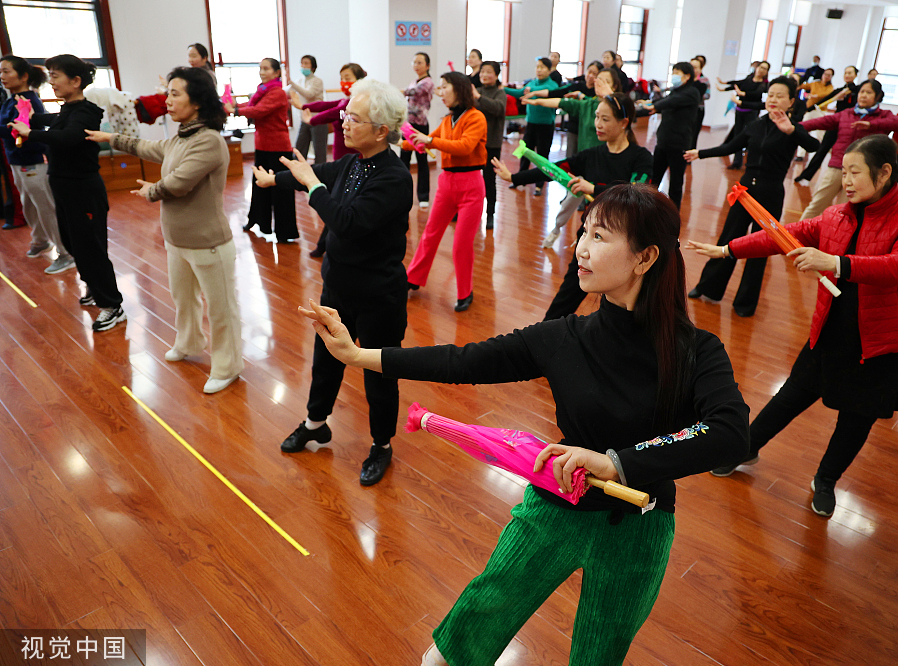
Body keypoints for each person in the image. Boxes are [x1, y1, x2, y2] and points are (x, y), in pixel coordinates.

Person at [299, 183, 749, 666]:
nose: (582, 247)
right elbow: (463, 362)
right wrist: (356, 354)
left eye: (600, 236)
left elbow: (729, 432)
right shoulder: (564, 338)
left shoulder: (696, 350)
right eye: (584, 231)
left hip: (641, 527)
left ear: (645, 258)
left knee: (600, 655)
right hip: (554, 505)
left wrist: (617, 463)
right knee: (465, 635)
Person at [691, 135, 898, 517]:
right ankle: (746, 448)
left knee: (856, 419)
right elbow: (782, 236)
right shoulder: (837, 215)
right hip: (833, 328)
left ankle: (826, 479)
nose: (848, 181)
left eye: (855, 172)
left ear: (885, 172)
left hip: (883, 341)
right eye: (844, 173)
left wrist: (834, 262)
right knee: (790, 395)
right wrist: (728, 250)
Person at [259, 79, 412, 485]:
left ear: (381, 129)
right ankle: (315, 423)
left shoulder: (395, 177)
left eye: (354, 118)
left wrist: (311, 184)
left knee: (378, 372)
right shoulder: (352, 163)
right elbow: (315, 173)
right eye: (345, 115)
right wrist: (277, 179)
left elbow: (346, 221)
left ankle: (382, 445)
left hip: (379, 295)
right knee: (325, 362)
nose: (344, 123)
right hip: (338, 289)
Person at [86, 67, 244, 394]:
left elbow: (180, 183)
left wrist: (152, 190)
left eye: (175, 94)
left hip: (209, 243)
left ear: (197, 102)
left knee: (221, 308)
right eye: (168, 93)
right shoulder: (182, 136)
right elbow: (152, 150)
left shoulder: (210, 141)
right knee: (183, 299)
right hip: (177, 241)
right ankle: (189, 342)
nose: (167, 100)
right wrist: (111, 138)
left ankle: (228, 366)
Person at [495, 93, 653, 320]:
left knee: (630, 304)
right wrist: (514, 177)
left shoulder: (641, 158)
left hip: (627, 242)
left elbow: (636, 192)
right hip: (592, 237)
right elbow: (553, 169)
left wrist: (593, 188)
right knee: (568, 294)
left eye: (605, 119)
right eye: (597, 117)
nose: (597, 124)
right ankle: (543, 337)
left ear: (624, 123)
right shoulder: (592, 155)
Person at [684, 77, 820, 317]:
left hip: (770, 194)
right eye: (772, 94)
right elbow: (730, 146)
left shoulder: (793, 128)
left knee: (760, 248)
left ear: (790, 102)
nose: (774, 99)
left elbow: (813, 146)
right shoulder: (755, 125)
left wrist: (791, 131)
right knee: (728, 240)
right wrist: (700, 152)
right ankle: (709, 288)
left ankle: (745, 303)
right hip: (744, 192)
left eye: (780, 96)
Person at [11, 54, 125, 331]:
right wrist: (28, 114)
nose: (52, 81)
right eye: (50, 75)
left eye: (56, 75)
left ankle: (112, 305)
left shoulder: (86, 112)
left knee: (92, 248)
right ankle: (94, 288)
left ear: (75, 81)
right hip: (63, 188)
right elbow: (49, 120)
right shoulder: (67, 110)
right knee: (74, 244)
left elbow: (69, 137)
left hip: (84, 190)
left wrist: (30, 133)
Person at [404, 72, 487, 312]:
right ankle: (413, 278)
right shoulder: (447, 120)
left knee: (461, 244)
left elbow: (464, 147)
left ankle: (464, 292)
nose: (440, 92)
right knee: (430, 233)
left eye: (444, 87)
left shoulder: (476, 117)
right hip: (446, 185)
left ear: (459, 89)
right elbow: (422, 141)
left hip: (471, 186)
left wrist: (428, 141)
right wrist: (397, 138)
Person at [524, 68, 619, 246]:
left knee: (605, 211)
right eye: (597, 79)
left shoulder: (620, 110)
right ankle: (556, 230)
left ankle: (596, 241)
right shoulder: (588, 104)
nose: (598, 83)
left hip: (607, 170)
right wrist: (536, 102)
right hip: (586, 167)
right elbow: (561, 102)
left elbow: (626, 110)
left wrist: (610, 96)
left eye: (605, 81)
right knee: (569, 202)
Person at [0, 55, 73, 274]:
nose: (2, 76)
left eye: (6, 71)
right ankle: (41, 240)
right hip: (17, 161)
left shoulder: (28, 101)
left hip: (33, 162)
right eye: (1, 72)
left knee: (46, 208)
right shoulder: (11, 99)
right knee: (29, 205)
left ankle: (66, 253)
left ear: (23, 76)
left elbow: (19, 131)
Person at [797, 80, 898, 220]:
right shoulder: (846, 114)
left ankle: (838, 239)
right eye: (862, 92)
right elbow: (818, 122)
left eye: (869, 92)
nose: (864, 95)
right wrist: (795, 127)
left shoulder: (884, 115)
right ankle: (794, 236)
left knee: (847, 210)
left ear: (877, 96)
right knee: (817, 203)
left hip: (864, 171)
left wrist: (870, 125)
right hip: (838, 166)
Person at [295, 62, 368, 258]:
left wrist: (312, 120)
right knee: (340, 204)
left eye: (348, 78)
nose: (343, 82)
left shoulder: (354, 103)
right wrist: (304, 106)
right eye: (342, 78)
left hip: (351, 162)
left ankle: (325, 245)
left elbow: (332, 113)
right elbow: (325, 105)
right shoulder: (346, 100)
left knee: (339, 204)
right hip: (341, 164)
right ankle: (327, 244)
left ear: (359, 81)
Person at [230, 57, 296, 242]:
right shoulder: (262, 91)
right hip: (262, 146)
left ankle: (284, 232)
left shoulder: (278, 93)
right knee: (259, 187)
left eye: (266, 69)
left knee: (280, 189)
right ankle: (258, 222)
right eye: (260, 68)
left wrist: (235, 110)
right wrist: (233, 107)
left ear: (276, 72)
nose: (262, 72)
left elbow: (259, 111)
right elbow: (252, 106)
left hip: (278, 148)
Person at [638, 62, 700, 208]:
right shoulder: (675, 91)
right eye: (674, 72)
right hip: (663, 142)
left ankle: (672, 216)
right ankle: (648, 210)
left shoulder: (692, 92)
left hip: (679, 144)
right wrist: (649, 105)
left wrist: (655, 105)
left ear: (687, 76)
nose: (674, 75)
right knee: (653, 179)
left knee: (676, 184)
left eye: (677, 72)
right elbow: (665, 103)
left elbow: (671, 102)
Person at [523, 60, 602, 159]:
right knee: (571, 158)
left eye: (594, 74)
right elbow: (555, 93)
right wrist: (535, 95)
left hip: (590, 130)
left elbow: (594, 104)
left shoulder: (598, 94)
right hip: (574, 127)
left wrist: (581, 96)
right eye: (589, 72)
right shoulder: (576, 86)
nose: (590, 75)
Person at [505, 57, 560, 196]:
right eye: (537, 67)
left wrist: (531, 89)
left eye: (542, 67)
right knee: (525, 152)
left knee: (542, 155)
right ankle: (520, 179)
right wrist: (503, 89)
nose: (539, 70)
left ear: (549, 70)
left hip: (545, 125)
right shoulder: (532, 83)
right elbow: (520, 93)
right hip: (531, 124)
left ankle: (539, 184)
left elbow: (543, 90)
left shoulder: (552, 85)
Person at [795, 65, 859, 183]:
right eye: (846, 73)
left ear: (855, 75)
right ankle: (806, 175)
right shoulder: (839, 90)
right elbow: (825, 100)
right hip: (836, 122)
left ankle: (847, 179)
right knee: (823, 148)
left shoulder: (857, 91)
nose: (847, 75)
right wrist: (810, 108)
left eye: (850, 73)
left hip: (849, 125)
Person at [717, 61, 770, 169]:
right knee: (737, 135)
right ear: (756, 68)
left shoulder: (764, 85)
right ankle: (737, 162)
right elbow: (738, 84)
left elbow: (755, 94)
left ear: (766, 72)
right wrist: (724, 84)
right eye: (760, 67)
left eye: (765, 68)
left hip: (751, 112)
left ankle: (751, 162)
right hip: (740, 111)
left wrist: (743, 94)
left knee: (750, 135)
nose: (761, 70)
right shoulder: (749, 78)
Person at [473, 61, 506, 230]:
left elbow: (497, 108)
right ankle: (469, 211)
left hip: (491, 143)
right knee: (471, 178)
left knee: (489, 179)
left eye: (489, 72)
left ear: (497, 75)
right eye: (482, 72)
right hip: (474, 143)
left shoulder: (500, 93)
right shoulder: (476, 91)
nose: (484, 75)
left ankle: (490, 213)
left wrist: (478, 98)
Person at [401, 52, 434, 209]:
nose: (416, 65)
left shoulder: (428, 82)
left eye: (420, 62)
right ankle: (403, 195)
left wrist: (399, 91)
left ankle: (423, 196)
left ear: (427, 65)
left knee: (422, 162)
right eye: (414, 62)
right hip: (408, 126)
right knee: (404, 160)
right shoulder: (414, 81)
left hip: (420, 126)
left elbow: (414, 93)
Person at [288, 54, 327, 164]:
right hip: (305, 119)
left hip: (318, 119)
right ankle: (297, 174)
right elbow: (287, 90)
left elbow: (309, 94)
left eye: (306, 63)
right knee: (300, 149)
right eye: (302, 63)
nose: (303, 66)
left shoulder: (317, 81)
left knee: (319, 151)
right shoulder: (299, 81)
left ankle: (320, 175)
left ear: (313, 67)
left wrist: (292, 84)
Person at [690, 57, 711, 150]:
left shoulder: (704, 80)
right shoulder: (686, 79)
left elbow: (707, 95)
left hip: (698, 109)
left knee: (694, 134)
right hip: (687, 110)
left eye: (695, 67)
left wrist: (695, 95)